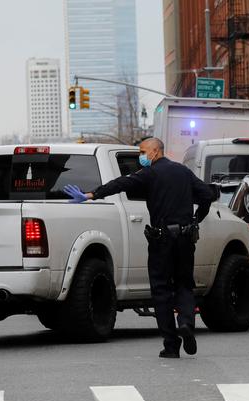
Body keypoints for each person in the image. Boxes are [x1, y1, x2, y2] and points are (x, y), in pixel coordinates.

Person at [63, 137, 215, 358]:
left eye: (143, 151)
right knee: (184, 285)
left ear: (155, 151)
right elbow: (207, 195)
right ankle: (186, 324)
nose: (140, 156)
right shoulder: (183, 172)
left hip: (162, 240)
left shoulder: (149, 173)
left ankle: (171, 346)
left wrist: (91, 195)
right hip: (184, 238)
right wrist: (196, 219)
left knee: (161, 291)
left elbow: (120, 184)